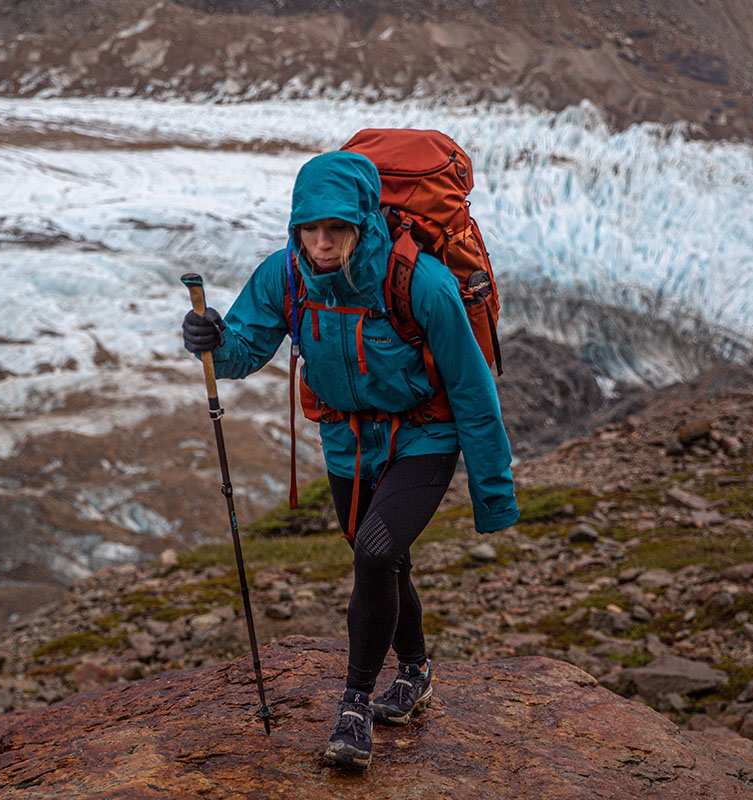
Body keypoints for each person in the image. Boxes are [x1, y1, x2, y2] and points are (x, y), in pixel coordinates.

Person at [182, 150, 518, 770]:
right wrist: (211, 341)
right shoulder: (286, 276)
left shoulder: (422, 283)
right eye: (310, 229)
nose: (322, 242)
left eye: (335, 229)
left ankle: (355, 708)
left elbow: (473, 392)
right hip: (347, 445)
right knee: (384, 562)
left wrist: (493, 497)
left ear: (364, 221)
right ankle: (415, 673)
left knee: (376, 552)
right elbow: (244, 348)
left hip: (423, 438)